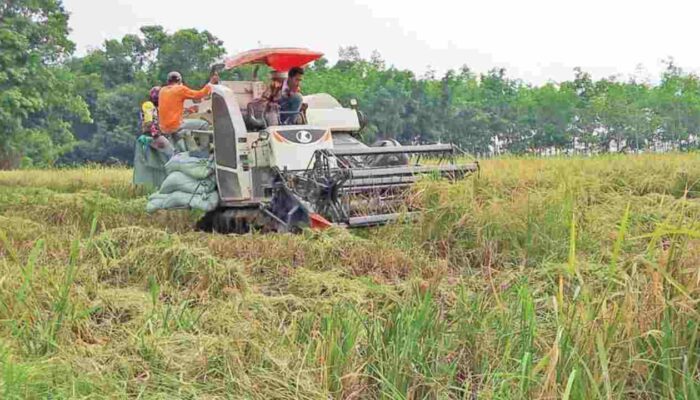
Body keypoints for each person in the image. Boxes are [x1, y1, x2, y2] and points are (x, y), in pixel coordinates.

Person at [158, 71, 218, 153]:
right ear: (179, 81)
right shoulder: (180, 89)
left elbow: (171, 108)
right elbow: (199, 94)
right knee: (204, 124)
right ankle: (204, 151)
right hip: (175, 126)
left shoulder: (162, 91)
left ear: (168, 81)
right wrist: (211, 83)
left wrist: (189, 110)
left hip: (164, 128)